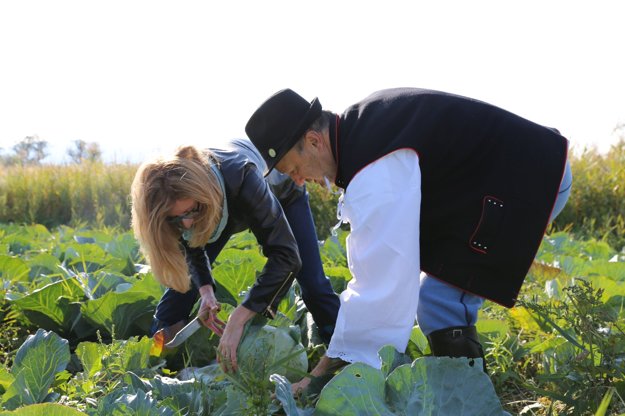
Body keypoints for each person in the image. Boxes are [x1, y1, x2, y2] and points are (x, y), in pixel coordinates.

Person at [245, 87, 573, 390]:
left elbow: (380, 284)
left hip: (529, 179)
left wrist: (321, 374)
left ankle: (470, 401)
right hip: (510, 177)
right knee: (437, 294)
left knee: (439, 301)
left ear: (314, 141)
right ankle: (464, 395)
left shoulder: (374, 163)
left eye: (293, 169)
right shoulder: (364, 131)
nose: (299, 182)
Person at [131, 138, 340, 371]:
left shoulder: (242, 178)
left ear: (201, 196)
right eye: (177, 218)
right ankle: (158, 363)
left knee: (313, 284)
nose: (187, 224)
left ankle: (344, 351)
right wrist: (206, 291)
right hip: (215, 205)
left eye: (190, 211)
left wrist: (238, 320)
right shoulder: (178, 201)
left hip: (282, 193)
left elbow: (286, 256)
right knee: (182, 288)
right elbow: (193, 247)